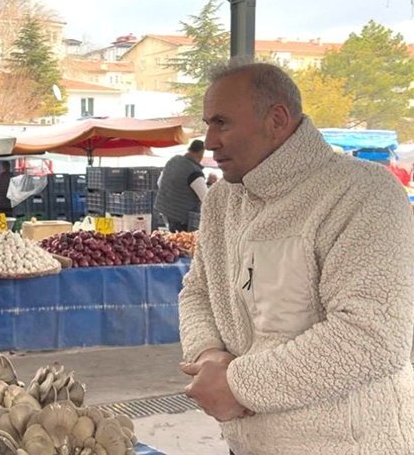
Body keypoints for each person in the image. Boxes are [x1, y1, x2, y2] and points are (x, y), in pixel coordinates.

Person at [178, 60, 414, 454]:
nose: (210, 140)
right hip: (248, 443)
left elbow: (372, 337)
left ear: (277, 119)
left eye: (222, 123)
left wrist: (237, 385)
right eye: (208, 124)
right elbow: (198, 290)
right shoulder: (221, 201)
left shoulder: (363, 193)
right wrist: (208, 356)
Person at [154, 139, 206, 232]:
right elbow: (206, 197)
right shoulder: (194, 172)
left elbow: (159, 182)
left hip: (164, 210)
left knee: (171, 236)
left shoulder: (173, 160)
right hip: (181, 217)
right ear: (201, 153)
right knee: (180, 238)